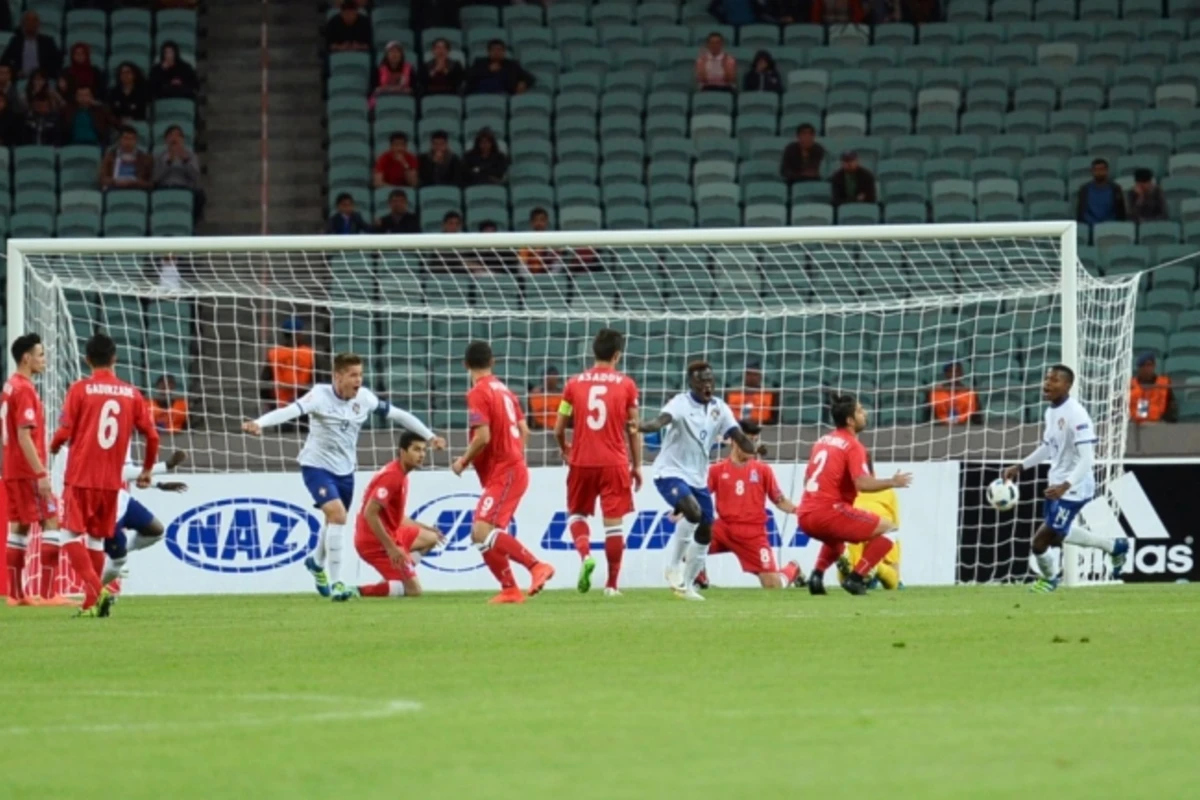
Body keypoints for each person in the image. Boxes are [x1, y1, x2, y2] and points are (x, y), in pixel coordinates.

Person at [243, 352, 445, 597]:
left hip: (345, 471)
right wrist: (260, 423)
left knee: (332, 521)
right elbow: (290, 411)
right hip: (316, 465)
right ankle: (337, 583)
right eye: (353, 375)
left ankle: (316, 563)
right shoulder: (319, 395)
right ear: (337, 377)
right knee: (338, 515)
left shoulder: (365, 398)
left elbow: (400, 415)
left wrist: (430, 436)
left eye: (360, 375)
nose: (358, 380)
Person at [49, 333, 161, 617]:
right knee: (96, 541)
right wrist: (147, 469)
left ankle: (93, 589)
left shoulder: (80, 389)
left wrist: (53, 446)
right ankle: (89, 605)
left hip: (81, 477)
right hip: (111, 483)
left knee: (68, 536)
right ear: (115, 358)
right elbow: (152, 436)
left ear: (87, 360)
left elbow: (64, 431)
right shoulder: (132, 393)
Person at [632, 361, 764, 600]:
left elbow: (738, 436)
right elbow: (659, 422)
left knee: (706, 527)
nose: (707, 385)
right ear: (691, 383)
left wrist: (754, 447)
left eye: (710, 380)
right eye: (702, 380)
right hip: (669, 471)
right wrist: (641, 426)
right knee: (692, 513)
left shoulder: (720, 408)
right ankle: (673, 566)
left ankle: (688, 585)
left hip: (697, 476)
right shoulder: (680, 404)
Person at [1003, 365, 1130, 592]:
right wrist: (1021, 466)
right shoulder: (1051, 412)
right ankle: (1115, 547)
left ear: (1067, 385)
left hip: (1074, 487)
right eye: (1046, 379)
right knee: (1059, 533)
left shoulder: (1076, 415)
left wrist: (1065, 485)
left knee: (1040, 543)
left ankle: (1050, 579)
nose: (1046, 384)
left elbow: (1087, 459)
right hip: (1058, 484)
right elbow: (1047, 447)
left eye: (1054, 380)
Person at [450, 340, 555, 604]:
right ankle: (510, 589)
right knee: (481, 534)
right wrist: (515, 455)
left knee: (482, 530)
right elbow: (525, 431)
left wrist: (463, 461)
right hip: (511, 468)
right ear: (492, 362)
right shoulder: (506, 391)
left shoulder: (477, 393)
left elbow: (482, 436)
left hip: (505, 471)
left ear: (465, 365)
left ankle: (536, 566)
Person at [553, 329, 643, 596]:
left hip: (582, 461)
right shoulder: (627, 385)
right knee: (613, 525)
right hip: (614, 462)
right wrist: (637, 465)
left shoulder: (573, 384)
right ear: (617, 355)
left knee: (577, 514)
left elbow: (558, 428)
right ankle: (612, 585)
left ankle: (585, 556)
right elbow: (633, 428)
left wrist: (564, 448)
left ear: (594, 353)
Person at [798, 393, 911, 596]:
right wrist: (892, 482)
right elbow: (862, 484)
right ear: (850, 420)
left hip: (805, 515)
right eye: (860, 410)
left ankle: (816, 576)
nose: (864, 413)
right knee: (891, 530)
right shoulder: (853, 445)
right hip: (829, 513)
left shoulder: (822, 441)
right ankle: (857, 577)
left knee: (836, 541)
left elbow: (807, 481)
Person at [333, 432, 444, 601]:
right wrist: (391, 548)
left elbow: (396, 518)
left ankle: (397, 578)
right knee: (414, 590)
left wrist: (425, 527)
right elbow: (369, 513)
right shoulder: (393, 477)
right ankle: (355, 590)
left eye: (423, 450)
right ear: (402, 451)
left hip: (393, 533)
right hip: (374, 542)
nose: (421, 454)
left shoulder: (401, 473)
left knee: (431, 537)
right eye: (416, 449)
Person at [3, 333, 67, 607]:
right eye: (40, 355)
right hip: (29, 470)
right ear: (26, 358)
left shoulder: (9, 386)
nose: (44, 360)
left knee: (18, 527)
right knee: (51, 521)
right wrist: (41, 473)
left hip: (12, 469)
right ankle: (49, 593)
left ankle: (16, 595)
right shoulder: (25, 389)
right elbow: (24, 435)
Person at [705, 420, 802, 589]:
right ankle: (701, 581)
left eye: (754, 440)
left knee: (773, 586)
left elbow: (779, 500)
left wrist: (799, 510)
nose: (751, 445)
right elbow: (701, 496)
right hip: (723, 529)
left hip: (752, 534)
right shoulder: (716, 470)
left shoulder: (763, 471)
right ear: (735, 440)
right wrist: (682, 511)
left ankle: (791, 569)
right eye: (747, 440)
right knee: (688, 549)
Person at [838, 457, 903, 590]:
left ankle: (849, 565)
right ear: (872, 472)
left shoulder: (844, 490)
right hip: (881, 530)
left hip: (854, 533)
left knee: (849, 576)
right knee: (893, 581)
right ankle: (876, 568)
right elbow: (895, 525)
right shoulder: (887, 490)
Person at [261, 317, 314, 412]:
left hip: (281, 403)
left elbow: (264, 380)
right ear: (298, 334)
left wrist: (269, 403)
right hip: (304, 403)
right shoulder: (309, 353)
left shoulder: (274, 353)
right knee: (303, 427)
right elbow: (317, 379)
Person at [154, 124, 205, 220]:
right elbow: (156, 177)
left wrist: (185, 160)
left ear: (182, 139)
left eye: (178, 135)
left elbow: (196, 177)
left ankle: (191, 223)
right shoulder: (159, 156)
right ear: (166, 140)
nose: (174, 138)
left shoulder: (191, 156)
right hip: (165, 187)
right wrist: (169, 162)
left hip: (185, 188)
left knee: (200, 195)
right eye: (171, 135)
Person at [0, 10, 61, 80]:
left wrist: (43, 74)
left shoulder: (48, 42)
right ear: (22, 24)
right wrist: (16, 72)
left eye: (34, 21)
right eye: (27, 20)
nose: (31, 23)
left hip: (43, 80)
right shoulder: (15, 42)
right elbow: (4, 61)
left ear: (38, 24)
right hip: (20, 79)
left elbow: (57, 63)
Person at [465, 39, 534, 95]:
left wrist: (523, 83)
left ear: (504, 52)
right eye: (493, 50)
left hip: (503, 94)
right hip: (480, 93)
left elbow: (530, 78)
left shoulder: (512, 65)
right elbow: (469, 76)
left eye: (499, 50)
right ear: (488, 52)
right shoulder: (479, 62)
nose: (496, 52)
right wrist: (488, 70)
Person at [99, 125, 153, 191]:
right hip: (114, 187)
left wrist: (136, 182)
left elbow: (150, 183)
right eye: (125, 138)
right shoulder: (110, 156)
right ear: (120, 139)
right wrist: (114, 181)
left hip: (136, 189)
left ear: (136, 141)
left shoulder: (146, 158)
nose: (128, 142)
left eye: (131, 139)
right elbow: (102, 178)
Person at [1129, 352, 1178, 424]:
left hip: (1158, 424)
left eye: (1149, 365)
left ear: (1154, 366)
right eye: (1143, 366)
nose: (1146, 368)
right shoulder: (1130, 385)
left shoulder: (1164, 383)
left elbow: (1171, 406)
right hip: (1134, 424)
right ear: (1139, 368)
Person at [1075, 157, 1126, 226]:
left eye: (1102, 169)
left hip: (1111, 225)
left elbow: (1121, 211)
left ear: (1107, 171)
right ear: (1092, 171)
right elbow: (1080, 211)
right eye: (1096, 170)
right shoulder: (1085, 189)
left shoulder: (1115, 188)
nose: (1099, 172)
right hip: (1089, 225)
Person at [727, 360, 777, 425]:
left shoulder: (769, 394)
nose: (751, 377)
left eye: (755, 375)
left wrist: (756, 422)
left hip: (764, 429)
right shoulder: (732, 393)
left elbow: (775, 419)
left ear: (760, 376)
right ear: (743, 376)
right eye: (748, 374)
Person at [371, 41, 413, 107]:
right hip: (384, 99)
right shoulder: (379, 70)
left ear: (401, 55)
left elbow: (414, 89)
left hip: (404, 100)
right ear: (386, 55)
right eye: (391, 52)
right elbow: (374, 88)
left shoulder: (409, 69)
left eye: (397, 52)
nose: (394, 54)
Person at [527, 366, 562, 430]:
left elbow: (568, 419)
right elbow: (531, 421)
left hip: (559, 431)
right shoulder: (534, 396)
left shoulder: (564, 397)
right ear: (543, 379)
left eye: (553, 379)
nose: (550, 382)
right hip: (539, 432)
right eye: (548, 379)